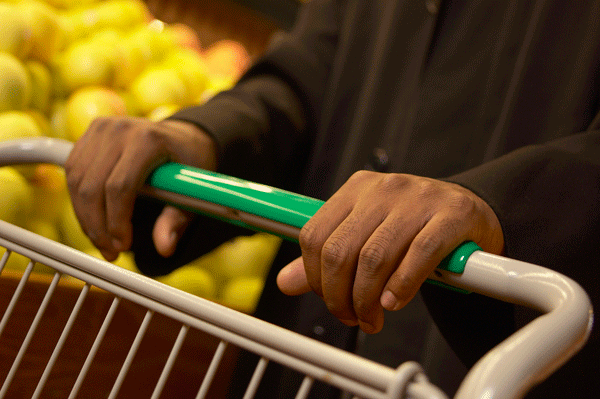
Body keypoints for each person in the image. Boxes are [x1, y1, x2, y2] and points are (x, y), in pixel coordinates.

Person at [64, 0, 600, 397]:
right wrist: (204, 135)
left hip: (485, 364)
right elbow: (313, 69)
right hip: (301, 348)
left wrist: (497, 204)